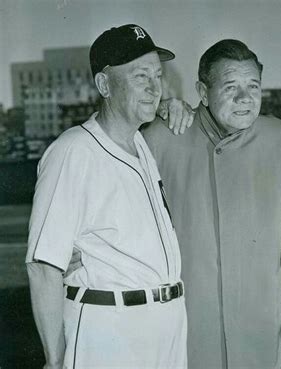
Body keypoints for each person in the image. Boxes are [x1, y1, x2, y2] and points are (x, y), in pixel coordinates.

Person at [26, 24, 193, 369]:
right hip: (109, 329)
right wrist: (55, 360)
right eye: (139, 75)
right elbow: (44, 267)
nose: (154, 86)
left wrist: (169, 107)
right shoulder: (73, 151)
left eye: (158, 75)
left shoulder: (141, 143)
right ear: (104, 84)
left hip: (166, 326)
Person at [142, 39, 281, 369]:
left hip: (261, 327)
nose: (245, 98)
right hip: (189, 327)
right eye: (230, 87)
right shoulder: (161, 137)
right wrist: (162, 107)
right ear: (202, 91)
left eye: (253, 86)